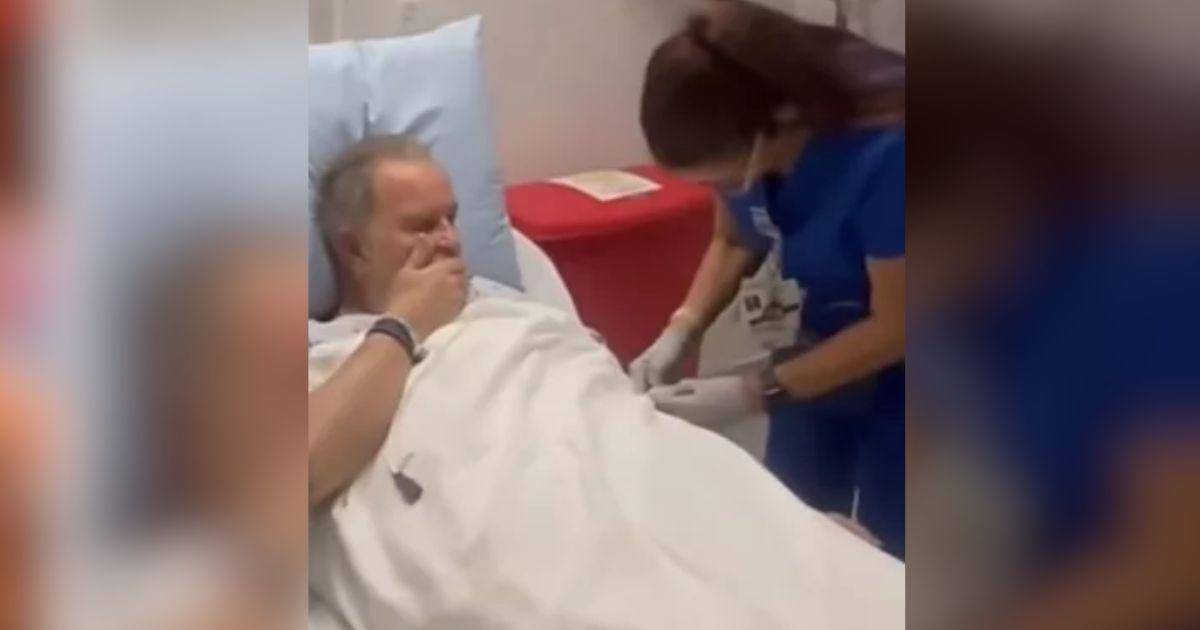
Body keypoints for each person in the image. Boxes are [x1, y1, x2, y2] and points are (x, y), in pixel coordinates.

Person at [629, 0, 906, 558]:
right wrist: (683, 327)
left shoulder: (887, 153)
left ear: (777, 122)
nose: (726, 188)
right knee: (788, 517)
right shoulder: (740, 127)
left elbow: (898, 327)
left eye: (726, 175)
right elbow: (735, 238)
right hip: (824, 326)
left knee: (892, 543)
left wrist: (754, 391)